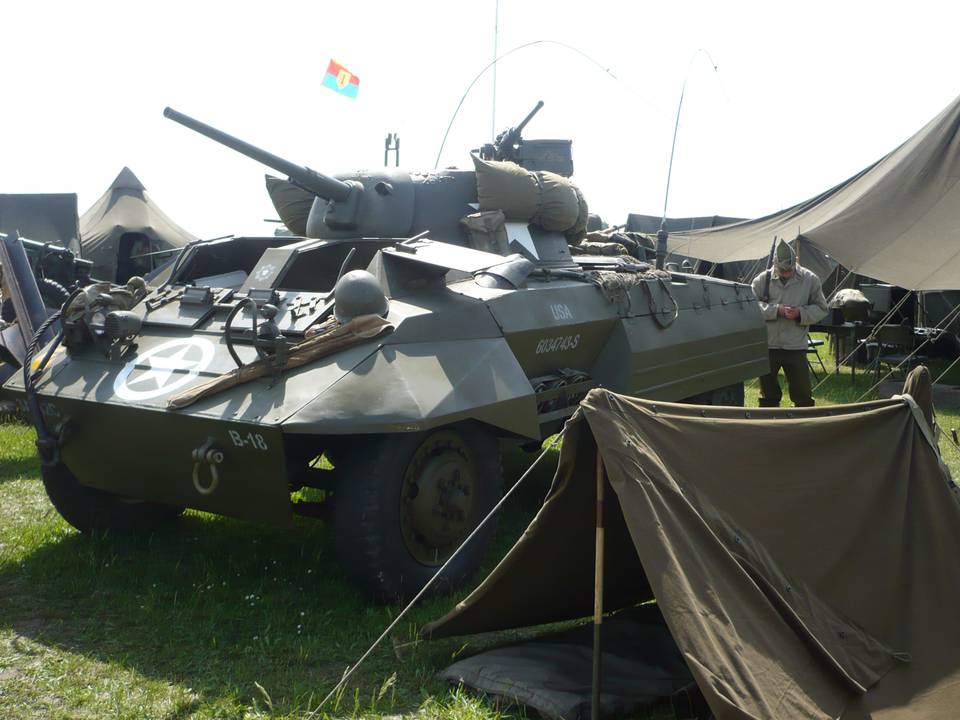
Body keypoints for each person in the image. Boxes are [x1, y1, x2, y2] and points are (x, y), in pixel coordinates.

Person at [751, 239, 828, 407]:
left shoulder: (810, 279)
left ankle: (803, 428)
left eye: (790, 270)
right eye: (782, 270)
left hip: (795, 346)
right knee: (768, 396)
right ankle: (768, 426)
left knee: (803, 396)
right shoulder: (761, 280)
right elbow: (749, 307)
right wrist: (775, 310)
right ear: (775, 264)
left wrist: (800, 313)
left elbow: (822, 308)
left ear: (796, 262)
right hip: (768, 345)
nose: (786, 273)